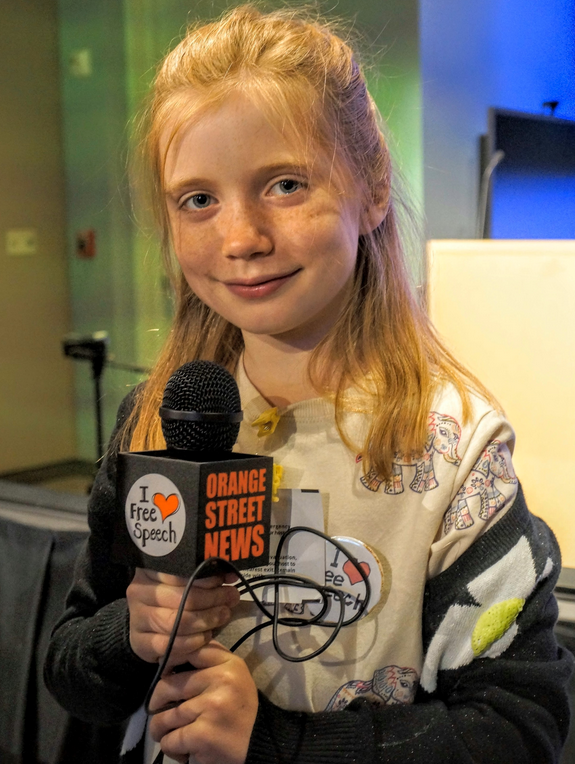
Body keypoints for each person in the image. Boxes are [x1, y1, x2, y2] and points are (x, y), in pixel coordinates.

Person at [44, 5, 573, 763]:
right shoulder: (159, 417)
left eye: (286, 185)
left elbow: (517, 728)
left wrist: (273, 744)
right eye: (198, 199)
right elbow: (74, 669)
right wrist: (130, 637)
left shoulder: (452, 448)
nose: (241, 238)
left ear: (374, 187)